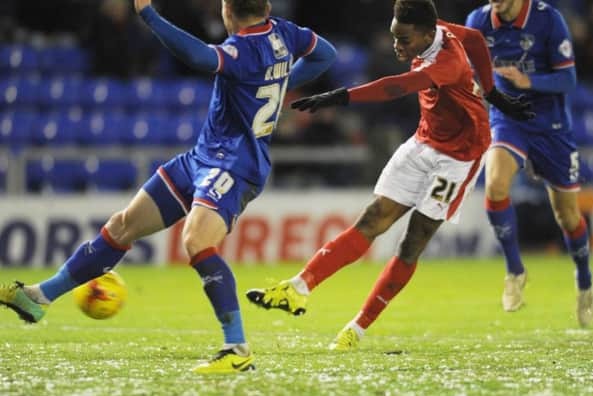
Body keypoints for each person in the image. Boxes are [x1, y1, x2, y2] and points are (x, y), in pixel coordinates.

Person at [0, 0, 336, 373]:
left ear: (228, 11)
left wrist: (149, 15)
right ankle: (39, 297)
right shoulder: (283, 31)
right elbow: (326, 54)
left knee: (196, 242)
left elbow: (200, 57)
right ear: (266, 6)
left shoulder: (242, 48)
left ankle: (237, 350)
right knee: (121, 226)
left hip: (234, 166)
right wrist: (283, 80)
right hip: (201, 158)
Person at [246, 0, 532, 350]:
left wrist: (343, 96)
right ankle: (297, 288)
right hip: (424, 141)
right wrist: (492, 94)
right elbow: (474, 36)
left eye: (404, 39)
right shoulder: (435, 30)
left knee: (412, 242)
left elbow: (396, 87)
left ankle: (358, 327)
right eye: (394, 35)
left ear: (427, 35)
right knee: (372, 218)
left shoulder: (447, 62)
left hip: (459, 157)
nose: (397, 45)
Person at [465, 0, 593, 326]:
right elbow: (469, 72)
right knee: (494, 185)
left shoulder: (548, 20)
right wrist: (476, 83)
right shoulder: (478, 21)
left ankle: (584, 282)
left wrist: (529, 82)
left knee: (567, 215)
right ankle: (514, 271)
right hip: (509, 121)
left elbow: (568, 80)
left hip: (550, 127)